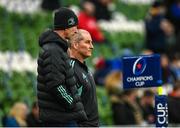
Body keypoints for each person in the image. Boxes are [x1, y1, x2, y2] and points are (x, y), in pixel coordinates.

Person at [37, 7, 87, 126]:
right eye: (74, 26)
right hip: (60, 118)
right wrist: (71, 103)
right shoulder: (53, 50)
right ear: (66, 27)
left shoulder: (57, 48)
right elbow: (55, 84)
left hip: (62, 116)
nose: (77, 30)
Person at [68, 29, 99, 126]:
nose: (92, 47)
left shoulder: (85, 68)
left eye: (92, 43)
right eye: (87, 42)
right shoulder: (70, 69)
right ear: (76, 45)